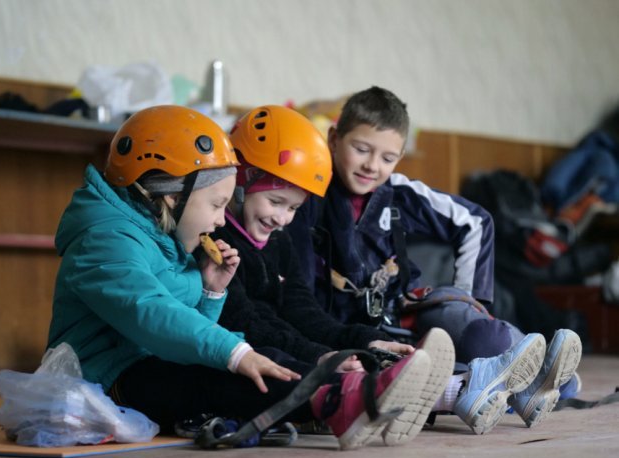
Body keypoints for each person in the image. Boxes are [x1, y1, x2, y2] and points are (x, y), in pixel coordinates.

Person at [46, 104, 444, 451]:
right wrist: (235, 353)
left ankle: (352, 395)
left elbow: (183, 323)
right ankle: (340, 400)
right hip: (105, 381)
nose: (221, 219)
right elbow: (150, 313)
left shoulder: (163, 236)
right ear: (173, 196)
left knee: (244, 362)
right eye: (217, 204)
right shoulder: (104, 238)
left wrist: (209, 292)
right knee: (224, 372)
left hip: (147, 363)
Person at [213, 105, 552, 436]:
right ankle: (460, 389)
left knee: (429, 335)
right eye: (276, 202)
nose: (283, 218)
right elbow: (250, 324)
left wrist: (365, 341)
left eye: (293, 208)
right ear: (240, 179)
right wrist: (324, 356)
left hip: (351, 325)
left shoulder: (278, 238)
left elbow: (303, 311)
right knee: (294, 361)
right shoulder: (219, 245)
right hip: (256, 353)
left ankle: (515, 382)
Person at [286, 87, 582, 431]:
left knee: (488, 337)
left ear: (400, 156)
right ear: (334, 139)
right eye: (361, 149)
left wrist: (472, 303)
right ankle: (521, 385)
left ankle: (537, 378)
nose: (372, 166)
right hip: (349, 334)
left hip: (403, 313)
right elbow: (297, 299)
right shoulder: (306, 198)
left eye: (387, 157)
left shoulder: (399, 194)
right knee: (410, 370)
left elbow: (476, 222)